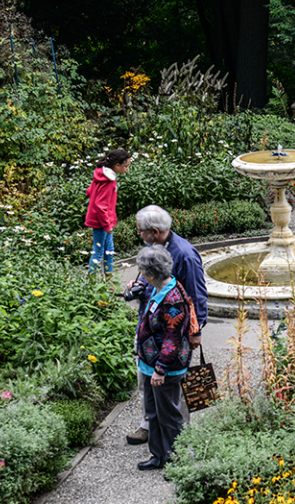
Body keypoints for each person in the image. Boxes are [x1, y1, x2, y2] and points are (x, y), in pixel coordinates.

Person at [126, 204, 208, 445]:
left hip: (173, 331)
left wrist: (196, 331)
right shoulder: (154, 247)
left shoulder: (184, 254)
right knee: (146, 380)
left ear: (154, 230)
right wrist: (138, 285)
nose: (139, 235)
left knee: (176, 385)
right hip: (151, 328)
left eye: (140, 231)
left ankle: (180, 437)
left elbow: (197, 295)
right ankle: (150, 426)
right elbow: (153, 281)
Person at [134, 245, 197, 470]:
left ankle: (178, 461)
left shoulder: (172, 298)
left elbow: (173, 339)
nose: (141, 275)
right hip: (150, 364)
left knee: (170, 417)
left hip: (165, 369)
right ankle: (159, 456)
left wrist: (160, 369)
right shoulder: (158, 288)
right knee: (154, 412)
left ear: (151, 274)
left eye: (142, 271)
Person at [85, 149, 132, 275]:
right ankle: (90, 285)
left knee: (109, 250)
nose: (127, 169)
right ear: (117, 165)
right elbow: (100, 206)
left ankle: (109, 284)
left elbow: (89, 192)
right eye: (126, 166)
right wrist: (107, 225)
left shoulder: (101, 175)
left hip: (105, 220)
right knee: (99, 251)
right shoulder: (108, 181)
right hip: (102, 222)